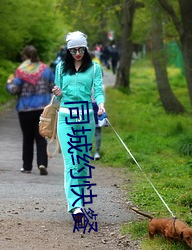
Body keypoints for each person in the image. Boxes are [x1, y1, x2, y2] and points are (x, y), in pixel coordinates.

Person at [52, 31, 105, 218]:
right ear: (68, 50)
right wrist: (57, 93)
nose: (77, 53)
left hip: (86, 118)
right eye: (73, 50)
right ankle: (75, 206)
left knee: (82, 162)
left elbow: (98, 90)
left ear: (86, 48)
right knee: (71, 162)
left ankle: (80, 201)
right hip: (66, 118)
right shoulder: (60, 68)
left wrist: (101, 105)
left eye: (80, 49)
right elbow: (57, 95)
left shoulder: (94, 68)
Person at [6, 45, 55, 175]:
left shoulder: (21, 71)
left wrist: (9, 83)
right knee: (41, 137)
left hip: (25, 109)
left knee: (27, 138)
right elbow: (53, 87)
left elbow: (14, 90)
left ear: (25, 57)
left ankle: (27, 166)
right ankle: (42, 163)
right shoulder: (46, 70)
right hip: (42, 109)